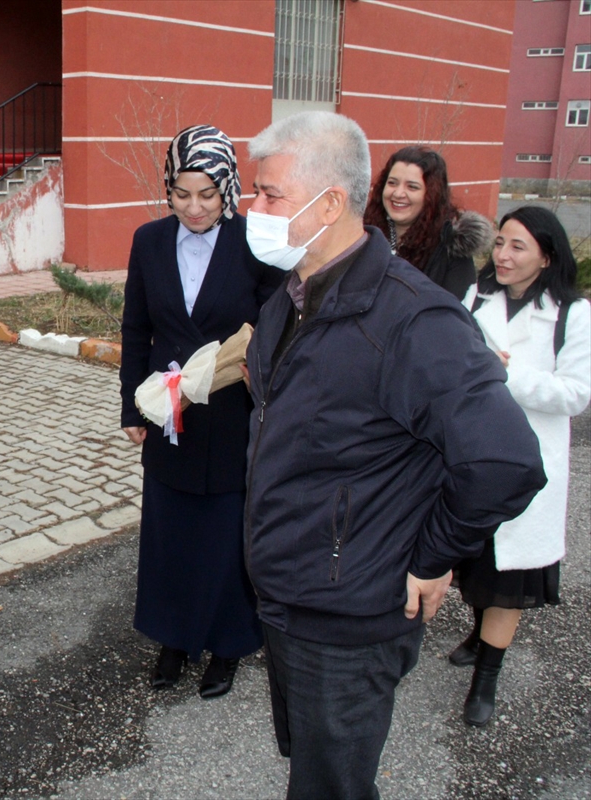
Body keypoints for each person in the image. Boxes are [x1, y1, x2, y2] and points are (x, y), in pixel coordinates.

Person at [242, 111, 546, 800]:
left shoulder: (413, 320)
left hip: (349, 618)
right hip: (287, 596)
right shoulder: (291, 298)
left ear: (329, 205)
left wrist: (434, 554)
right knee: (314, 772)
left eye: (268, 194)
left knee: (334, 787)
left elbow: (504, 461)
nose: (251, 209)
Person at [119, 125, 283, 696]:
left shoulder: (254, 244)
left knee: (224, 539)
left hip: (233, 415)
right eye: (182, 193)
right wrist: (131, 410)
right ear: (168, 189)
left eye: (207, 194)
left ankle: (228, 644)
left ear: (228, 190)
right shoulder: (148, 241)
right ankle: (174, 637)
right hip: (169, 417)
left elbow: (275, 328)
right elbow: (136, 328)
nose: (193, 207)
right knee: (172, 533)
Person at [449, 206, 591, 727]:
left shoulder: (573, 315)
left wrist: (508, 375)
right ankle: (476, 633)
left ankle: (486, 677)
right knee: (477, 562)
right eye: (501, 243)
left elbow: (576, 395)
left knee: (510, 576)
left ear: (547, 256)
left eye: (518, 247)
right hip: (474, 455)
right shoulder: (475, 299)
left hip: (530, 464)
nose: (503, 256)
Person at [363, 146, 491, 299]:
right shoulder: (363, 234)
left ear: (431, 194)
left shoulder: (450, 250)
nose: (398, 193)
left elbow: (453, 315)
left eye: (412, 187)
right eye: (392, 183)